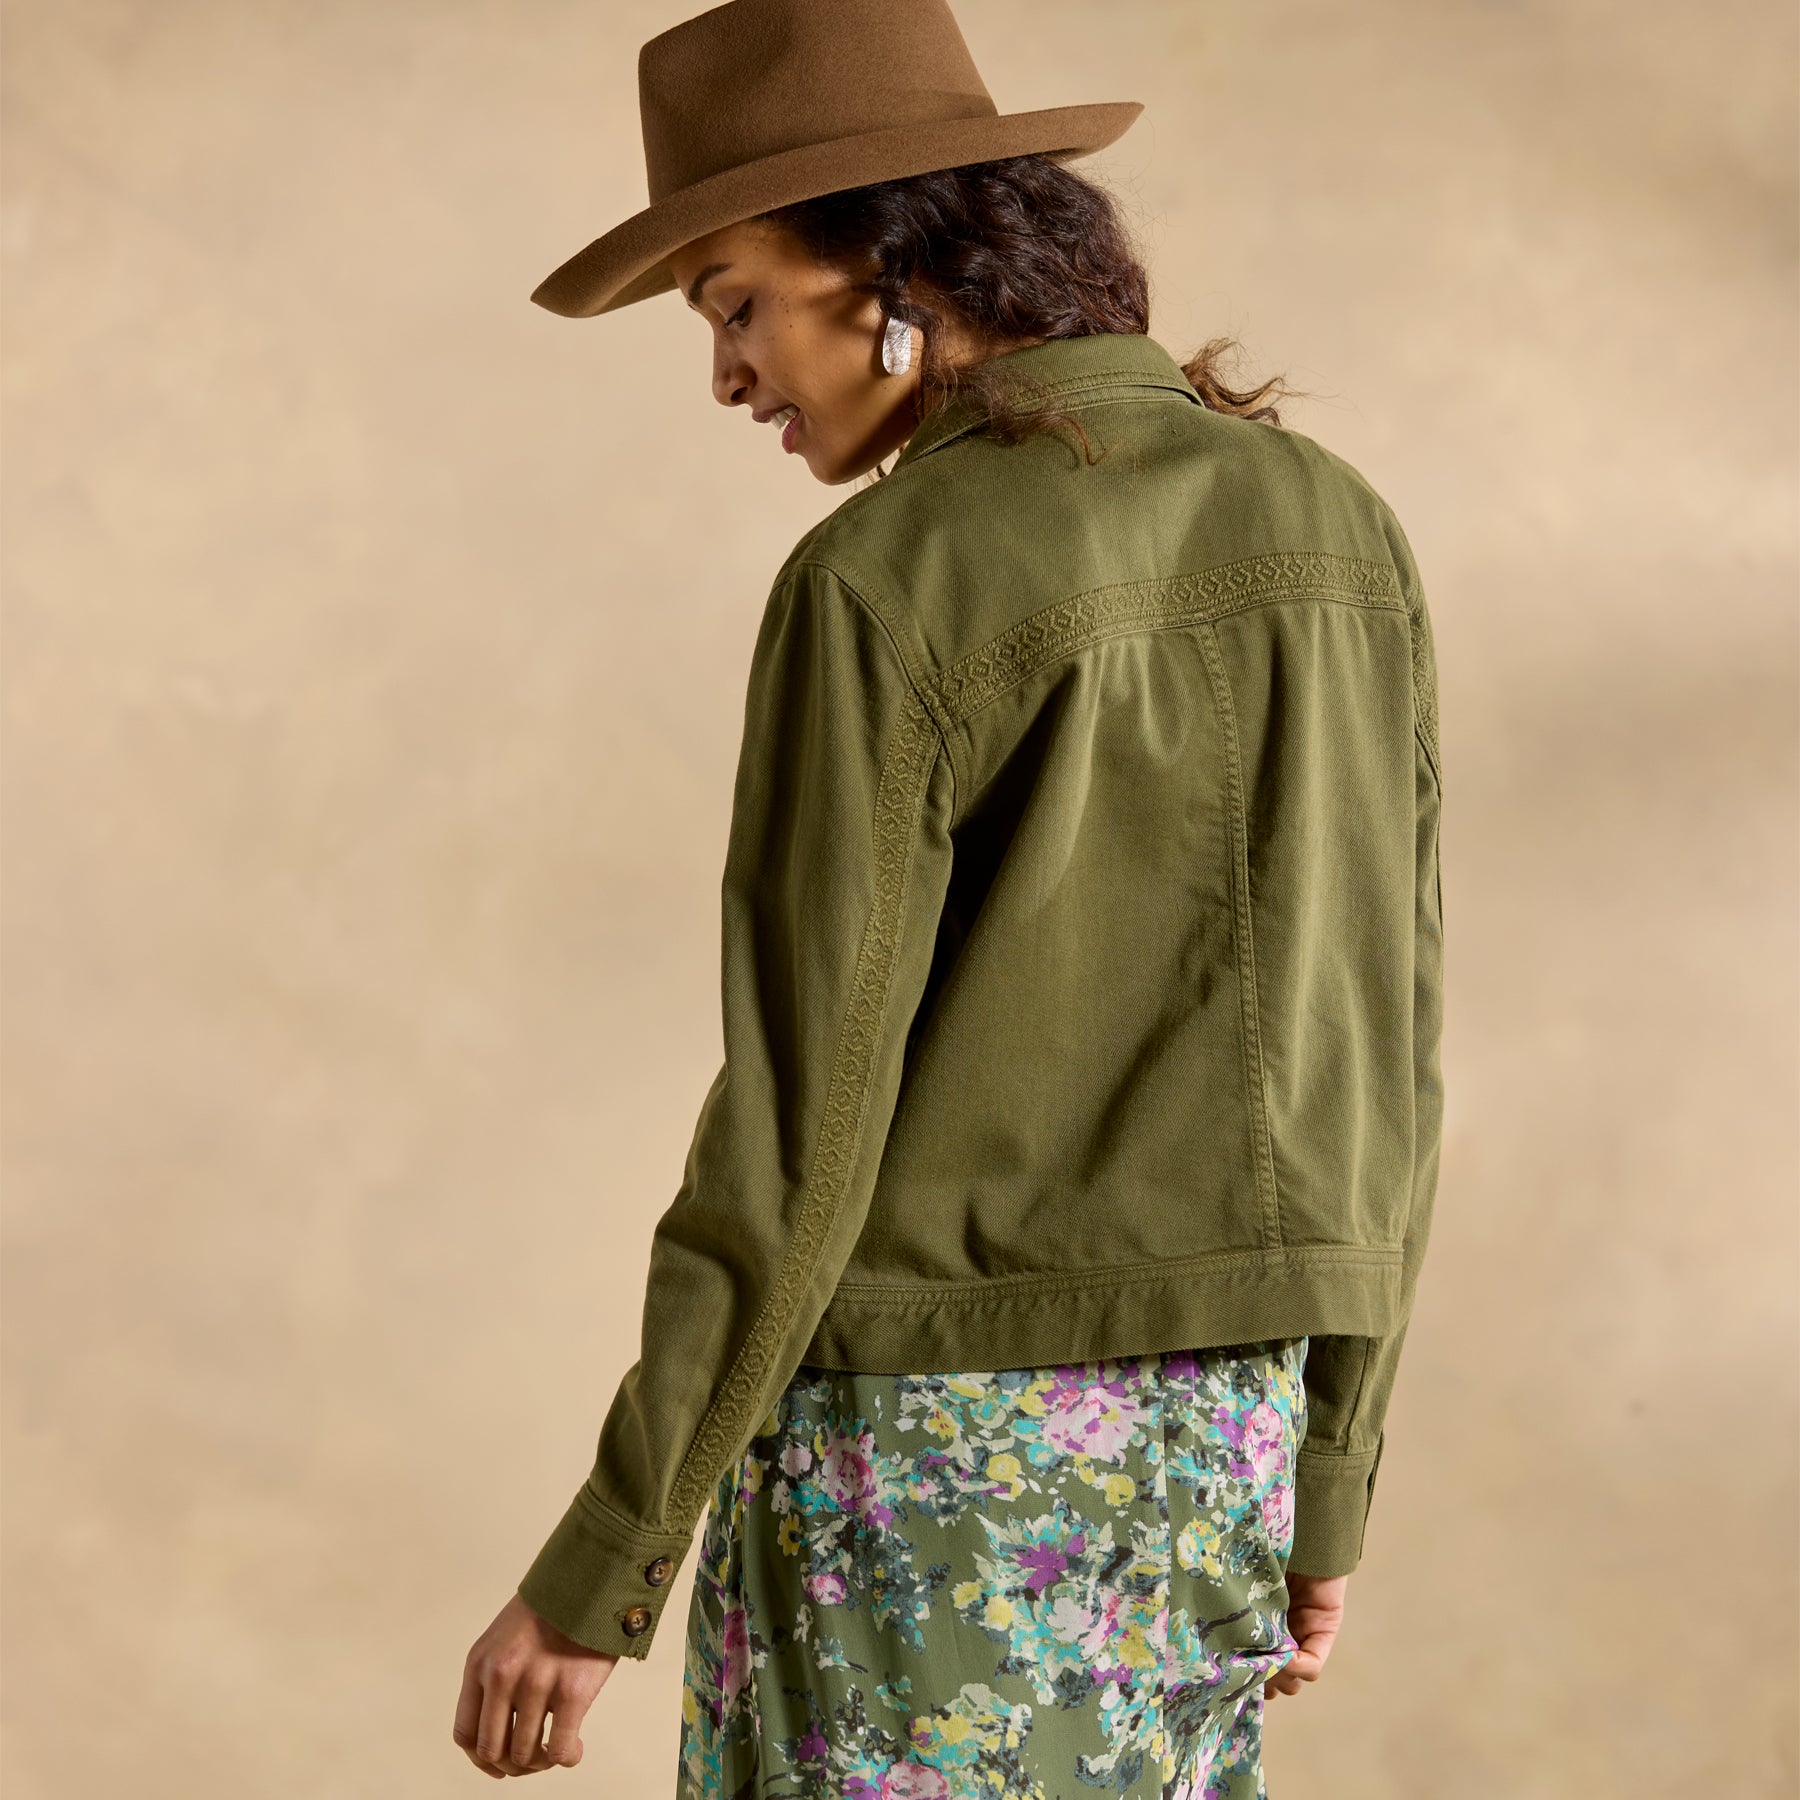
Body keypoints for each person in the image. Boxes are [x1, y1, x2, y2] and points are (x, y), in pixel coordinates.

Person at [454, 1, 1444, 1792]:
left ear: (894, 260)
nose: (728, 376)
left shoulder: (884, 577)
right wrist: (1330, 1469)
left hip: (926, 1479)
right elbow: (1385, 1037)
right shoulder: (1338, 524)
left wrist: (607, 1565)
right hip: (1222, 1450)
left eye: (736, 305)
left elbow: (798, 1132)